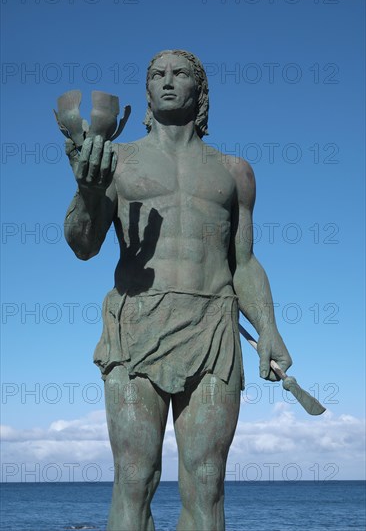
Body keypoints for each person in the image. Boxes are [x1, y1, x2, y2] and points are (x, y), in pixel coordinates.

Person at [64, 49, 292, 531]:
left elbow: (244, 262)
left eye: (180, 74)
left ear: (200, 89)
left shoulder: (235, 172)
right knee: (134, 477)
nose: (167, 81)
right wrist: (88, 192)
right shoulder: (116, 159)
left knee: (207, 481)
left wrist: (269, 329)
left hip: (213, 330)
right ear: (146, 90)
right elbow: (83, 245)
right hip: (136, 325)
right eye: (156, 75)